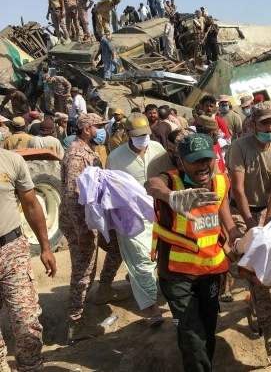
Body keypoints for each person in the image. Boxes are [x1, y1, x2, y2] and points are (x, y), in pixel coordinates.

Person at [145, 133, 240, 371]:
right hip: (177, 275)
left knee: (207, 328)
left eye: (206, 158)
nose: (203, 165)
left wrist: (236, 237)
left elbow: (225, 217)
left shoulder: (220, 182)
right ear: (181, 161)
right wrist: (171, 197)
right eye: (195, 160)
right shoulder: (171, 181)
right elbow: (151, 185)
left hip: (210, 269)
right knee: (191, 333)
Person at [226, 103, 271, 354]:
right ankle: (267, 324)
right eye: (264, 123)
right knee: (249, 262)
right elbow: (238, 189)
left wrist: (269, 222)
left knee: (263, 263)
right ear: (253, 124)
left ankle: (259, 311)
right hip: (240, 210)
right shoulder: (239, 148)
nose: (270, 127)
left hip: (266, 210)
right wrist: (251, 225)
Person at [60, 113, 128, 342]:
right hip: (81, 222)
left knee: (118, 246)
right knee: (83, 271)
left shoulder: (90, 151)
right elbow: (71, 195)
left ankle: (105, 289)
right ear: (87, 129)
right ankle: (75, 325)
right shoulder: (76, 154)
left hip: (96, 217)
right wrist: (83, 231)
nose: (102, 130)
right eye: (99, 126)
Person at [105, 113, 166, 325]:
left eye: (146, 134)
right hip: (132, 219)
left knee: (158, 257)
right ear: (128, 134)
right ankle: (152, 309)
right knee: (143, 259)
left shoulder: (158, 150)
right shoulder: (115, 158)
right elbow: (111, 191)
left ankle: (146, 287)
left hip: (158, 213)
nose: (144, 138)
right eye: (138, 135)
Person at [0, 147, 57, 371]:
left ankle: (31, 367)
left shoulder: (11, 160)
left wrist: (45, 247)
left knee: (26, 321)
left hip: (11, 249)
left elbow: (31, 204)